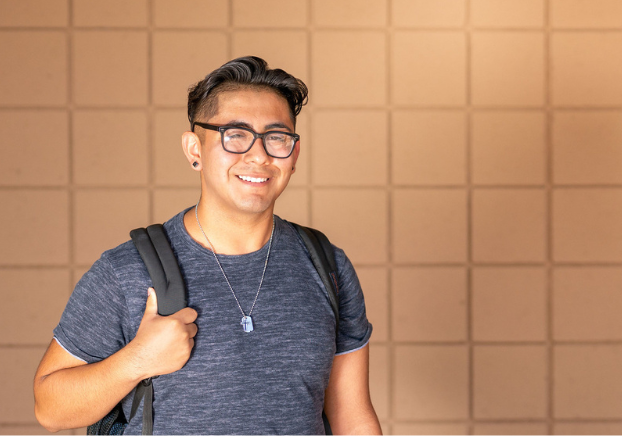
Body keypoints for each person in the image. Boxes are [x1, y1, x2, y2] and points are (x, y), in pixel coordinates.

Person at [34, 56, 381, 435]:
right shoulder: (129, 271)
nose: (259, 155)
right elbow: (50, 408)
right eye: (235, 135)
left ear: (293, 156)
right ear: (194, 150)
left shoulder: (326, 265)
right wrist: (137, 360)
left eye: (277, 137)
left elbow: (352, 414)